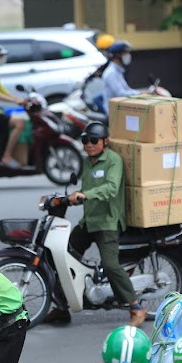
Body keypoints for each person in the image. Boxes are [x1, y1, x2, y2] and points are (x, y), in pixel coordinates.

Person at [46, 121, 146, 326]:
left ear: (105, 141)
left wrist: (85, 194)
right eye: (85, 140)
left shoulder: (113, 161)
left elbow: (110, 188)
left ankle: (135, 306)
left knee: (110, 265)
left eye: (93, 140)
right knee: (61, 256)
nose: (89, 144)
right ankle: (62, 307)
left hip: (107, 222)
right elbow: (82, 191)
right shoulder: (87, 162)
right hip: (88, 222)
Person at [93, 40, 144, 117]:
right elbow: (120, 93)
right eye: (125, 53)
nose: (128, 55)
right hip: (115, 114)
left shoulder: (118, 71)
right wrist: (140, 93)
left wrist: (142, 92)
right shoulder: (111, 73)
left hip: (121, 109)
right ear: (117, 55)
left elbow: (127, 89)